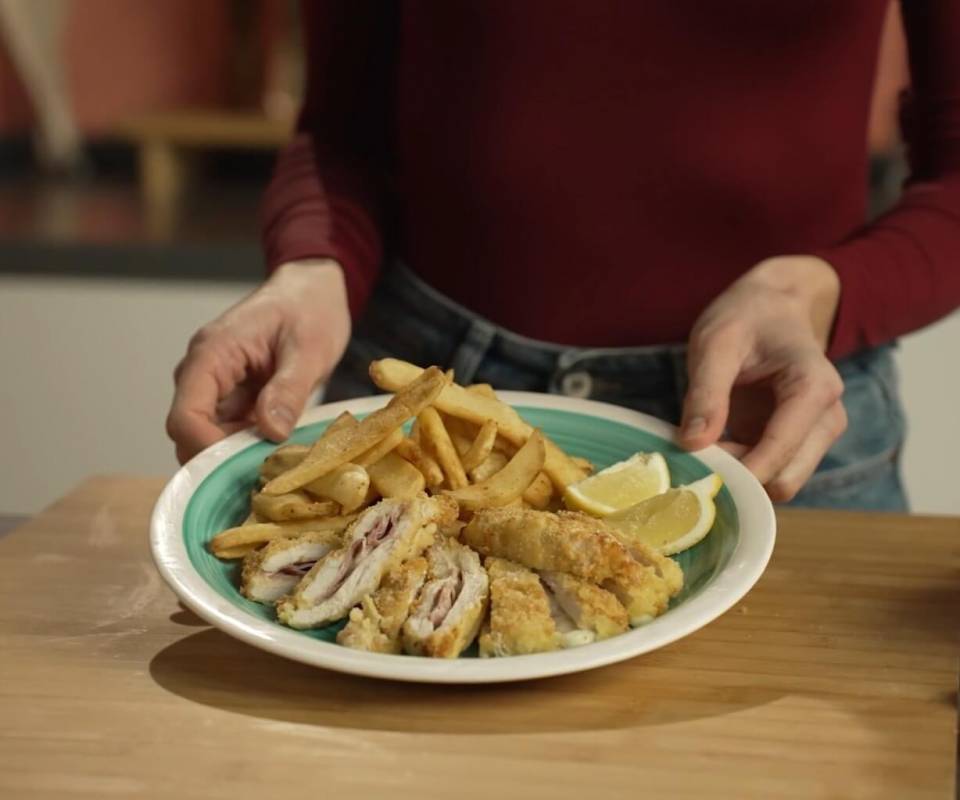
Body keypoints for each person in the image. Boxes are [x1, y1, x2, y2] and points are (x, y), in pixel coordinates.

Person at [166, 3, 960, 511]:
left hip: (774, 425)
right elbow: (342, 134)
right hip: (420, 417)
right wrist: (312, 264)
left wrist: (815, 292)